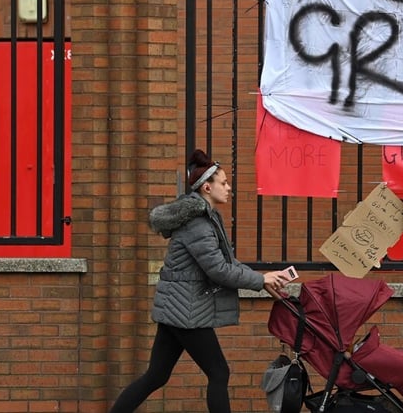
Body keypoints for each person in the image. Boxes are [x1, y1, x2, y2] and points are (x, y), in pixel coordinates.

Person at [109, 149, 293, 413]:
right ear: (207, 187)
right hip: (187, 311)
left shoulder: (207, 218)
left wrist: (263, 280)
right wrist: (259, 279)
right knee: (219, 372)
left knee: (156, 376)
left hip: (178, 307)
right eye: (224, 183)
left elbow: (227, 262)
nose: (229, 188)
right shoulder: (197, 223)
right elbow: (218, 270)